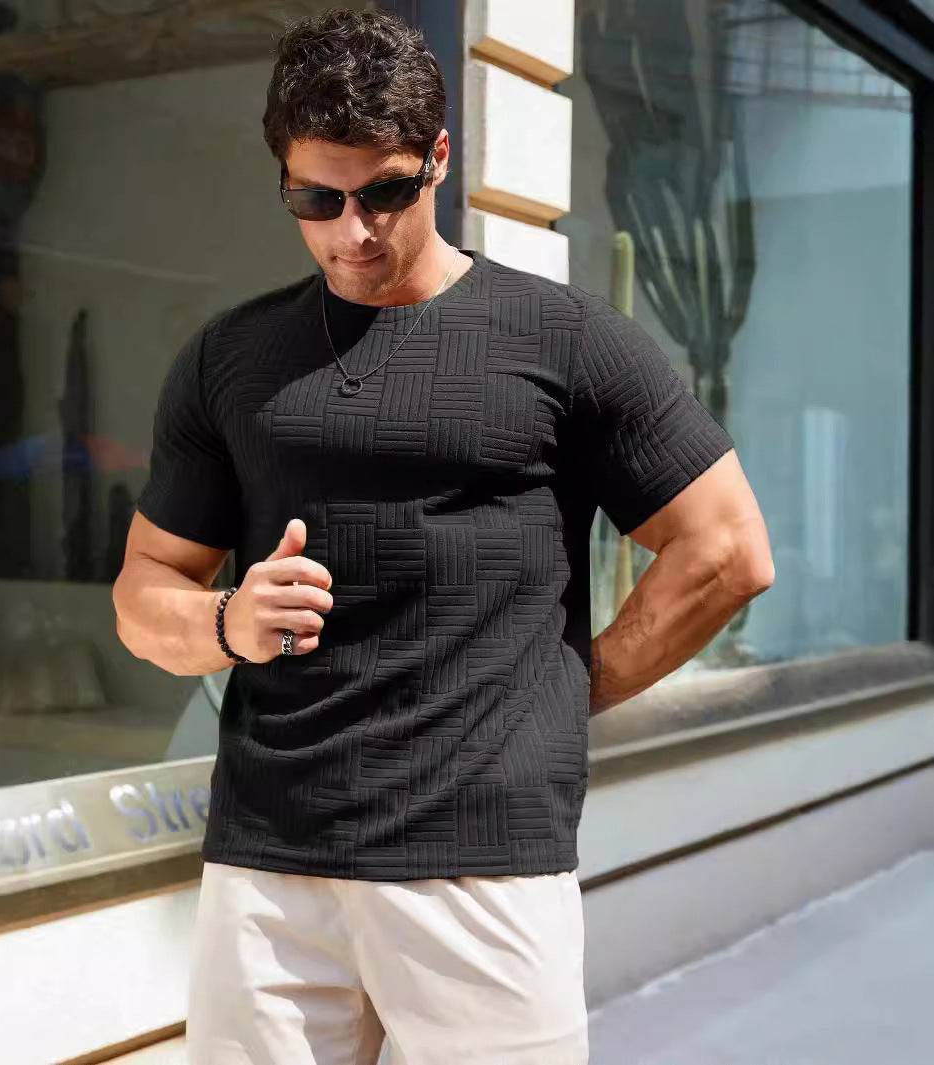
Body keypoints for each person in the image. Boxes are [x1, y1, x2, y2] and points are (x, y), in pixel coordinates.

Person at [113, 8, 775, 1064]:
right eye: (316, 199)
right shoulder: (229, 360)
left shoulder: (566, 341)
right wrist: (226, 622)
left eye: (383, 192)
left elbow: (727, 550)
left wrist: (567, 686)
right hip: (271, 863)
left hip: (481, 864)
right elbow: (145, 591)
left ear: (438, 158)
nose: (352, 231)